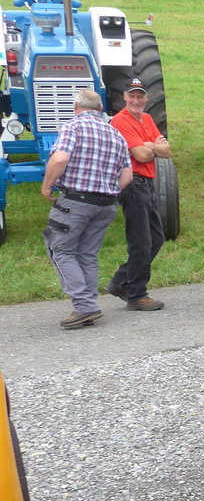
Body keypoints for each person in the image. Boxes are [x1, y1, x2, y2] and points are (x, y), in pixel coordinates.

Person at [39, 89, 132, 329]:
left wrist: (47, 186)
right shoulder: (116, 134)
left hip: (76, 202)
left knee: (59, 248)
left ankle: (84, 305)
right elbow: (127, 177)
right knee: (87, 254)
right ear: (99, 109)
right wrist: (108, 191)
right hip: (106, 205)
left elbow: (59, 159)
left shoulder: (73, 126)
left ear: (76, 107)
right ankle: (88, 306)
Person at [107, 78, 170, 311]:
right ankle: (136, 294)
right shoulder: (120, 121)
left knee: (156, 238)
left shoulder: (148, 118)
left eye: (140, 96)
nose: (136, 100)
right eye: (132, 95)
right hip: (133, 184)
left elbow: (167, 151)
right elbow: (142, 156)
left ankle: (121, 282)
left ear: (146, 98)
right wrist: (152, 146)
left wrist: (147, 145)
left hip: (148, 183)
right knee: (141, 240)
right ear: (124, 96)